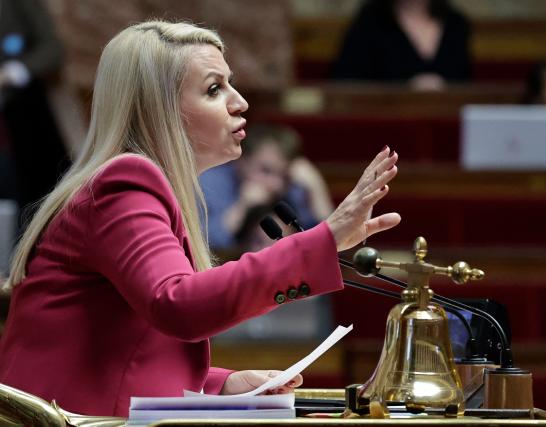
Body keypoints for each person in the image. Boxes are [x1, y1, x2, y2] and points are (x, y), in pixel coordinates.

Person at [0, 21, 401, 417]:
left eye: (231, 84)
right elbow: (177, 304)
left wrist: (219, 383)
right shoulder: (124, 184)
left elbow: (128, 345)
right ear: (162, 110)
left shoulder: (136, 184)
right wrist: (323, 238)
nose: (240, 102)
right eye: (214, 89)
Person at [200, 123, 333, 253]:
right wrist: (242, 206)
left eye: (283, 175)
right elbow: (207, 247)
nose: (276, 185)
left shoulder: (291, 186)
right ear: (241, 161)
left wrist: (317, 188)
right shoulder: (208, 183)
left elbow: (327, 245)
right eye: (266, 171)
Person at [0, 0, 71, 224]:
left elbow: (52, 50)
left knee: (34, 199)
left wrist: (10, 73)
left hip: (23, 120)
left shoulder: (16, 5)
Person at [331, 0, 471, 90]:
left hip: (445, 124)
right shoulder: (369, 22)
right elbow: (345, 85)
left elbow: (467, 87)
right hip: (388, 126)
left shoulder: (456, 24)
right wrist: (404, 90)